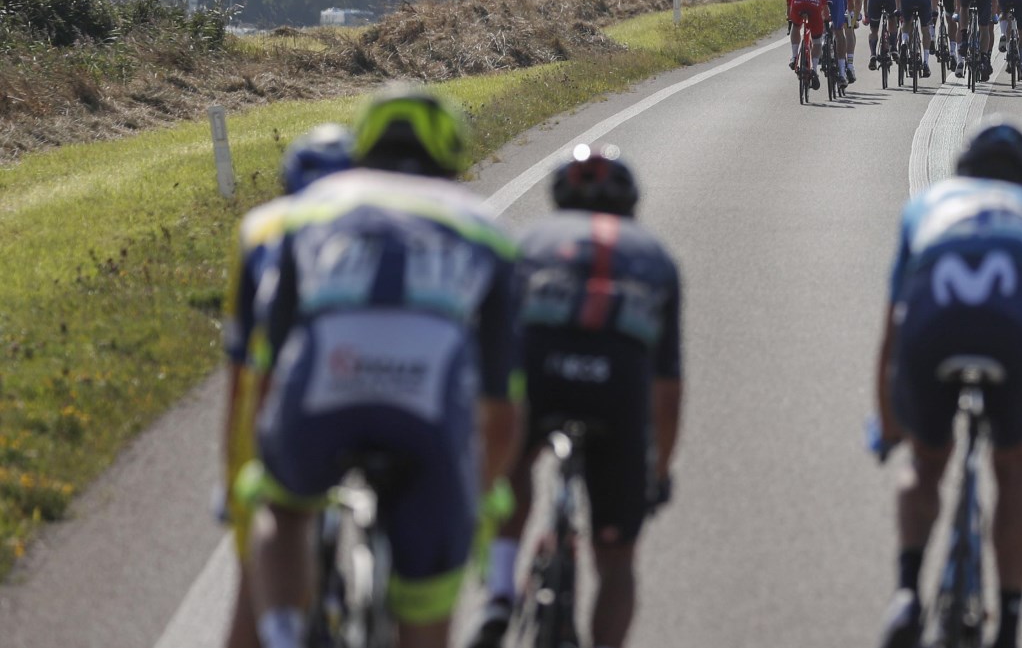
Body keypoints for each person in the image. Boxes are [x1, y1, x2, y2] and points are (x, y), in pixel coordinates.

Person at [241, 87, 520, 648]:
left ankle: (280, 633)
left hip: (322, 391)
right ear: (452, 154)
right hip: (427, 410)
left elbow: (270, 360)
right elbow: (501, 402)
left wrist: (265, 451)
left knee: (284, 507)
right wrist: (480, 491)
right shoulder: (487, 230)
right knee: (428, 597)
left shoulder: (313, 207)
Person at [874, 122, 1022, 648]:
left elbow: (892, 330)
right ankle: (1009, 623)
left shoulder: (925, 205)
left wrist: (888, 421)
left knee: (924, 463)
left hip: (932, 330)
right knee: (1012, 467)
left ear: (963, 170)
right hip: (1012, 336)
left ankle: (906, 593)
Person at [472, 147, 683, 648]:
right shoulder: (656, 258)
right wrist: (656, 473)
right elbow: (667, 389)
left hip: (541, 373)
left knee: (512, 470)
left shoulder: (529, 241)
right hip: (617, 388)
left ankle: (499, 593)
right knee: (616, 560)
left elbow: (491, 347)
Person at [218, 125, 354, 648]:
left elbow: (239, 368)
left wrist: (232, 475)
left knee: (256, 576)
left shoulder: (262, 228)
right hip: (367, 384)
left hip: (280, 393)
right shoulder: (381, 224)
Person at [786, 0, 829, 87]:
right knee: (816, 41)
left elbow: (789, 5)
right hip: (814, 4)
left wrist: (791, 19)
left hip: (798, 2)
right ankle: (814, 69)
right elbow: (825, 7)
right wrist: (825, 20)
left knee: (796, 26)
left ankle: (794, 57)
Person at [818, 0, 857, 84]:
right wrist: (851, 14)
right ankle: (842, 72)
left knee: (820, 26)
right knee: (839, 32)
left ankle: (822, 44)